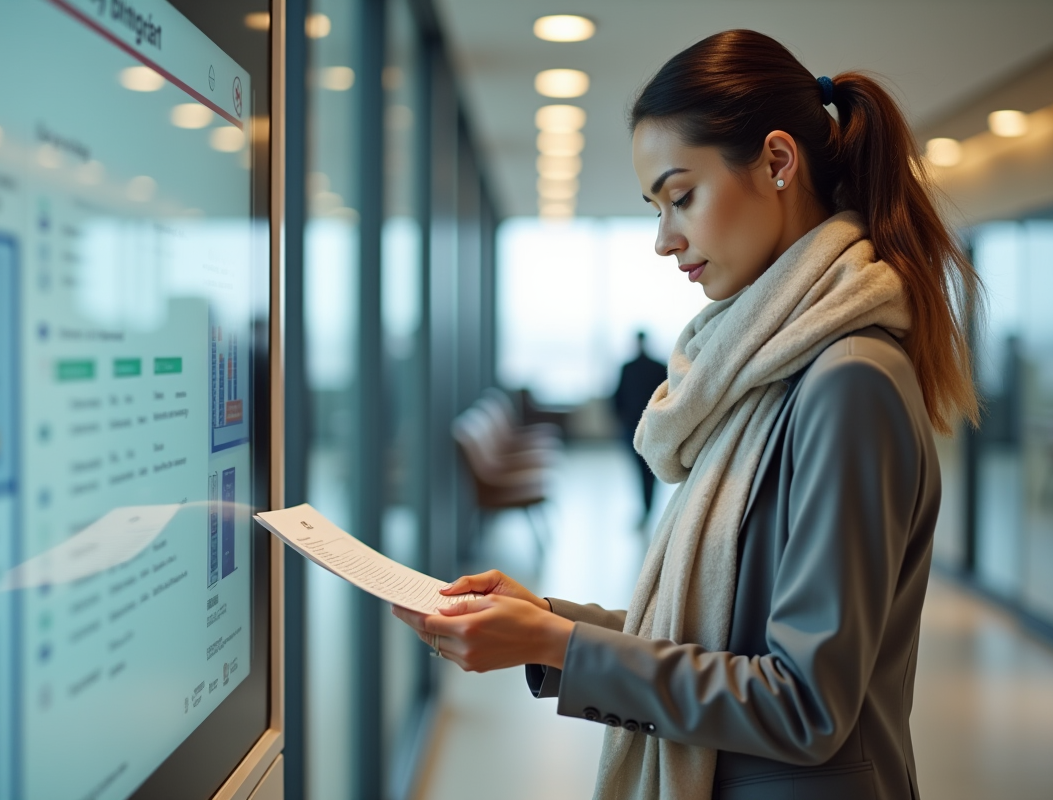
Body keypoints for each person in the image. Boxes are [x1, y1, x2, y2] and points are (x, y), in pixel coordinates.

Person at [392, 28, 979, 800]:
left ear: (777, 162)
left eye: (681, 197)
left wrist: (559, 643)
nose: (665, 241)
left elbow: (805, 703)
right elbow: (718, 632)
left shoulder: (847, 379)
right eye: (655, 207)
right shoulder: (766, 370)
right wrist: (544, 621)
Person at [613, 331, 667, 524]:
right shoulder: (659, 367)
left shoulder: (628, 368)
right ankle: (648, 509)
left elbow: (616, 397)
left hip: (632, 427)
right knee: (650, 470)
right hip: (652, 425)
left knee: (640, 471)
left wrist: (620, 419)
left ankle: (646, 510)